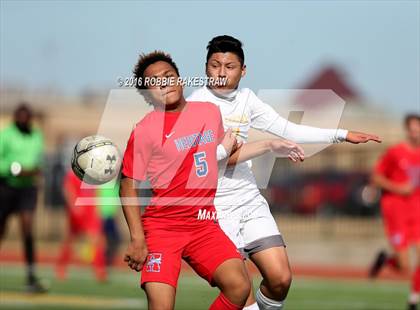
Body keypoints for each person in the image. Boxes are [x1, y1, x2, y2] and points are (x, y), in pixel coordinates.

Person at [187, 35, 382, 309]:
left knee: (280, 280)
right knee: (240, 292)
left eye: (229, 66)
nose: (221, 72)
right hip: (214, 208)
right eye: (214, 65)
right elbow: (214, 160)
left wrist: (342, 134)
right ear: (205, 67)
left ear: (243, 71)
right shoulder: (197, 104)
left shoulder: (247, 99)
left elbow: (287, 128)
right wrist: (267, 145)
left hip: (248, 200)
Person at [119, 51, 304, 310]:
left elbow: (222, 159)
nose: (164, 83)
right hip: (163, 229)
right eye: (155, 81)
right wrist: (137, 238)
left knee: (239, 287)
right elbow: (127, 184)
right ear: (147, 93)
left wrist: (269, 145)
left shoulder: (208, 112)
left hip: (203, 224)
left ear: (180, 80)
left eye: (168, 76)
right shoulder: (144, 130)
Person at [370, 114, 420, 310]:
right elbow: (376, 177)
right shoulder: (395, 153)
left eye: (418, 128)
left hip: (417, 211)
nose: (415, 132)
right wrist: (399, 188)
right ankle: (386, 260)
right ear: (407, 130)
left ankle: (414, 298)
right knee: (404, 266)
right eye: (412, 128)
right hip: (396, 211)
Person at [0, 103, 47, 293]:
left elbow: (38, 161)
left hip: (27, 189)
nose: (23, 121)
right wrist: (14, 169)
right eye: (20, 118)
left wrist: (34, 170)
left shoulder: (36, 135)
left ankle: (31, 276)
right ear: (15, 118)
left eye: (26, 118)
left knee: (27, 229)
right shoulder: (6, 135)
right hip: (6, 187)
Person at [56, 169, 107, 282]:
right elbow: (68, 189)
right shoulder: (74, 172)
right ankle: (61, 267)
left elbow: (95, 192)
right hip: (78, 211)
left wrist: (96, 209)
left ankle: (100, 270)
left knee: (97, 240)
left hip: (90, 212)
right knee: (70, 241)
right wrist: (73, 205)